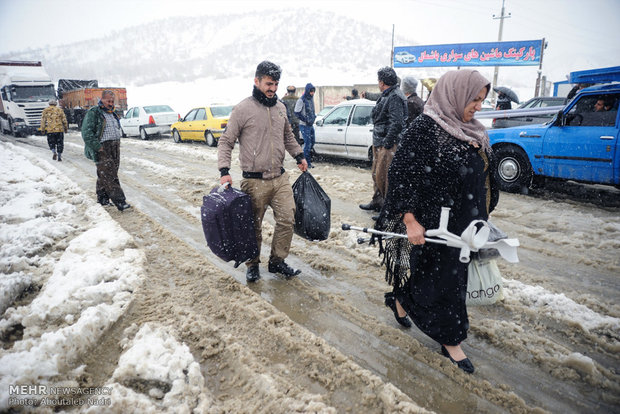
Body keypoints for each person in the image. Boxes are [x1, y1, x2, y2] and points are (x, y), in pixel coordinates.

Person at [377, 69, 499, 374]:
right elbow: (401, 175)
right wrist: (409, 220)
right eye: (474, 99)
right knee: (444, 280)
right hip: (433, 222)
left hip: (466, 224)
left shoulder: (473, 130)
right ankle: (451, 340)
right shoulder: (426, 129)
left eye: (482, 100)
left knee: (448, 278)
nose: (478, 107)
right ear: (456, 94)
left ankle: (402, 299)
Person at [218, 61, 308, 283]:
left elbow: (288, 136)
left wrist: (299, 155)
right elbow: (226, 141)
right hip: (253, 181)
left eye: (276, 84)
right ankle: (252, 264)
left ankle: (277, 261)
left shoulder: (280, 108)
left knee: (288, 218)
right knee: (253, 227)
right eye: (269, 83)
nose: (273, 89)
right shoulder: (242, 109)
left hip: (279, 178)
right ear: (256, 81)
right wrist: (224, 170)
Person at [359, 67, 407, 215]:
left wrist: (387, 143)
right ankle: (377, 201)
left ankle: (388, 210)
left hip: (388, 144)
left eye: (378, 80)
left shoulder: (395, 97)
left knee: (385, 177)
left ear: (382, 82)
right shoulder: (387, 94)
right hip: (380, 141)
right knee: (376, 174)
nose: (378, 83)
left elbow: (397, 123)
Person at [81, 90, 131, 211]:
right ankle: (120, 201)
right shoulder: (94, 112)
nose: (110, 103)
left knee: (106, 173)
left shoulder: (112, 112)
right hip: (102, 147)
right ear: (101, 99)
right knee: (109, 175)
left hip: (114, 146)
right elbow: (86, 132)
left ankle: (102, 198)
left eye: (112, 101)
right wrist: (98, 147)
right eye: (108, 100)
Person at [294, 83, 317, 168]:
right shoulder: (301, 100)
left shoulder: (311, 99)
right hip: (304, 125)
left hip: (310, 125)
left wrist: (313, 117)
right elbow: (296, 112)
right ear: (307, 91)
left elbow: (312, 110)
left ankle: (306, 159)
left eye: (313, 92)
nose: (312, 93)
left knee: (312, 142)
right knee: (308, 143)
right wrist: (305, 119)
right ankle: (306, 162)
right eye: (311, 92)